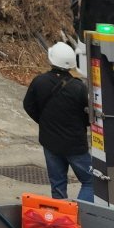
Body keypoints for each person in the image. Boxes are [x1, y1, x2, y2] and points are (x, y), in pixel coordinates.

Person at [22, 42, 94, 203]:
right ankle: (79, 212)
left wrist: (44, 121)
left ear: (51, 59)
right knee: (91, 182)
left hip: (50, 142)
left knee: (58, 185)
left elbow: (28, 105)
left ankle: (62, 216)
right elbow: (88, 116)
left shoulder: (39, 81)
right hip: (75, 145)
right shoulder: (79, 88)